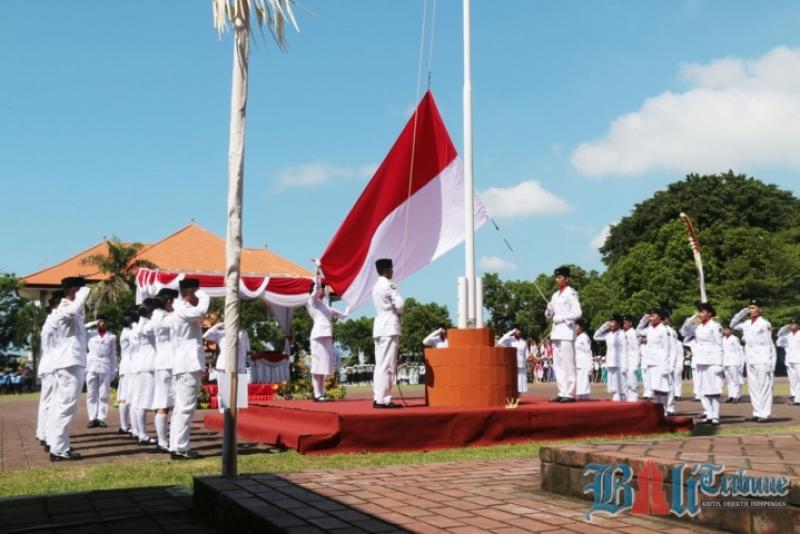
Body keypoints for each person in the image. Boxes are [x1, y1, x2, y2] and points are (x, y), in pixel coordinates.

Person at [48, 277, 90, 461]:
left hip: (73, 361)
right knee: (66, 405)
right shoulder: (64, 308)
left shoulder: (74, 310)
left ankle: (59, 445)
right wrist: (82, 293)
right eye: (79, 290)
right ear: (73, 290)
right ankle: (58, 448)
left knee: (64, 405)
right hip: (68, 362)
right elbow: (72, 311)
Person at [169, 279, 210, 458]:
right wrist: (203, 295)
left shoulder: (178, 308)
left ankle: (177, 446)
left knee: (182, 408)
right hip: (187, 363)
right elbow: (202, 310)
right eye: (195, 292)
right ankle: (180, 448)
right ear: (191, 292)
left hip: (185, 363)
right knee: (185, 408)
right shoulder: (183, 309)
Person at [730, 299, 775, 423]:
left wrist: (769, 362)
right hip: (750, 357)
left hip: (762, 357)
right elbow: (732, 325)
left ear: (760, 309)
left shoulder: (764, 323)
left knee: (764, 386)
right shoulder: (746, 323)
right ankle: (756, 412)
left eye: (753, 307)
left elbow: (768, 344)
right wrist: (742, 313)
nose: (751, 310)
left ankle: (764, 413)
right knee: (753, 387)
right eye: (749, 307)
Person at [306, 268, 346, 401]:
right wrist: (317, 270)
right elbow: (317, 288)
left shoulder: (325, 306)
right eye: (322, 288)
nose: (323, 290)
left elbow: (342, 315)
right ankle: (317, 394)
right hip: (318, 335)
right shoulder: (312, 302)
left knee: (324, 365)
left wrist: (352, 304)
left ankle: (321, 393)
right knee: (317, 364)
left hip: (327, 335)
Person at [680, 303, 724, 425]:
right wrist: (693, 317)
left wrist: (720, 364)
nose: (701, 314)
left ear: (710, 313)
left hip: (712, 360)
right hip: (700, 360)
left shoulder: (715, 326)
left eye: (703, 312)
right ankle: (709, 415)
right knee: (704, 389)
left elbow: (720, 344)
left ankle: (715, 416)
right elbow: (684, 331)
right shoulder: (698, 327)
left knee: (714, 389)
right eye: (699, 312)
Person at [544, 266, 582, 403]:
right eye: (556, 277)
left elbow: (578, 313)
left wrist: (563, 318)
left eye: (560, 277)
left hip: (566, 330)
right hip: (556, 332)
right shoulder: (555, 295)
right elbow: (549, 315)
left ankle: (570, 393)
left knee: (568, 363)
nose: (557, 279)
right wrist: (548, 309)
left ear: (567, 278)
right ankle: (562, 391)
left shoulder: (571, 293)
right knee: (558, 364)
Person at [372, 258, 404, 408]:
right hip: (389, 327)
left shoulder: (376, 286)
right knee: (388, 365)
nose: (392, 271)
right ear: (386, 270)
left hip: (379, 327)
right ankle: (384, 399)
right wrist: (399, 312)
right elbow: (400, 305)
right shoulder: (389, 285)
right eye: (391, 268)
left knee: (380, 364)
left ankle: (378, 396)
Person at [151, 288, 179, 452]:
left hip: (161, 361)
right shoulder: (166, 317)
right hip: (169, 361)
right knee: (170, 403)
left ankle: (162, 440)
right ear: (168, 301)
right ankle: (165, 441)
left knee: (163, 402)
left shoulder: (155, 315)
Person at [36, 292, 63, 450]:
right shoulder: (54, 320)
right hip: (53, 364)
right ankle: (47, 435)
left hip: (48, 363)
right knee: (52, 402)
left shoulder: (49, 321)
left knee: (46, 401)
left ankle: (43, 433)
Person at [204, 320, 251, 411]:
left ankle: (238, 411)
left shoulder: (243, 333)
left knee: (240, 389)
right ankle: (223, 412)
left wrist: (244, 361)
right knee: (224, 389)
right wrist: (218, 325)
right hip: (224, 364)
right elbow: (205, 336)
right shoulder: (221, 333)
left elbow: (246, 349)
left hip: (239, 363)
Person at [636, 308, 675, 415]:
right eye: (650, 316)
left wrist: (667, 366)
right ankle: (659, 410)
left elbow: (668, 349)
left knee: (663, 388)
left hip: (660, 363)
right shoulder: (649, 329)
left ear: (660, 317)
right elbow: (638, 331)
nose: (651, 318)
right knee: (655, 389)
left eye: (653, 315)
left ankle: (666, 409)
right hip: (650, 362)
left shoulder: (664, 330)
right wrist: (644, 319)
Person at [133, 299, 159, 445]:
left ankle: (141, 433)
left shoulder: (138, 326)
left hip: (142, 365)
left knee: (140, 401)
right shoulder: (146, 325)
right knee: (144, 401)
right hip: (149, 365)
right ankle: (142, 434)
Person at [85, 315, 117, 428]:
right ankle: (92, 418)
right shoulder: (90, 334)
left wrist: (114, 370)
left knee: (103, 393)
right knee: (91, 393)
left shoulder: (111, 336)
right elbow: (82, 328)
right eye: (100, 321)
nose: (102, 323)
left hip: (105, 364)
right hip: (91, 365)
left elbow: (113, 355)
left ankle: (101, 417)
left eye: (104, 321)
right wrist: (92, 322)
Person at [593, 315, 626, 401]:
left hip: (619, 364)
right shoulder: (608, 335)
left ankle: (619, 402)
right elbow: (596, 336)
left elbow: (625, 350)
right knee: (611, 387)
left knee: (619, 387)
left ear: (618, 323)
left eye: (613, 322)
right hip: (610, 362)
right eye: (610, 322)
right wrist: (604, 326)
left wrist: (625, 365)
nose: (611, 324)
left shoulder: (622, 334)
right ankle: (616, 400)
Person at [117, 311, 138, 436]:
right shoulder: (128, 333)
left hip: (126, 366)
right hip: (129, 366)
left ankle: (124, 425)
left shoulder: (125, 332)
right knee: (127, 397)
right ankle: (125, 426)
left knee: (125, 397)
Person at [776, 319, 800, 405]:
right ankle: (794, 396)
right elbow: (779, 343)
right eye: (791, 325)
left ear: (798, 326)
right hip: (790, 360)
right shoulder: (788, 335)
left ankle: (798, 398)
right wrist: (782, 331)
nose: (792, 326)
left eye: (794, 324)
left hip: (798, 360)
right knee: (793, 379)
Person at [498, 327, 528, 394]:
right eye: (516, 330)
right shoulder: (510, 339)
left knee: (520, 382)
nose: (518, 332)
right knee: (513, 381)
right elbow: (499, 342)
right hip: (513, 364)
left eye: (519, 330)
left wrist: (533, 359)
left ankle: (517, 396)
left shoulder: (523, 342)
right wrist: (511, 332)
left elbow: (527, 355)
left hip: (521, 365)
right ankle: (513, 396)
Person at [721, 322, 744, 403]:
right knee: (728, 380)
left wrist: (740, 363)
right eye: (724, 329)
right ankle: (730, 395)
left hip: (734, 361)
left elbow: (739, 351)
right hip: (725, 362)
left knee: (735, 379)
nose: (725, 331)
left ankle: (736, 396)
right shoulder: (723, 339)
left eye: (727, 329)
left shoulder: (734, 339)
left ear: (731, 331)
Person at [622, 315, 640, 402]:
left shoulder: (633, 333)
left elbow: (636, 349)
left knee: (632, 381)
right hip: (624, 360)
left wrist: (636, 363)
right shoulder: (623, 333)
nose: (623, 324)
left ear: (630, 323)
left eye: (625, 322)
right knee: (625, 382)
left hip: (632, 360)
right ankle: (627, 399)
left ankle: (634, 399)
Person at [574, 320, 593, 400]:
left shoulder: (585, 337)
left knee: (584, 388)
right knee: (579, 387)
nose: (575, 328)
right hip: (577, 364)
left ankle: (585, 401)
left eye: (576, 326)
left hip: (584, 364)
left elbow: (588, 352)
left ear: (581, 327)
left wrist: (590, 366)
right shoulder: (575, 338)